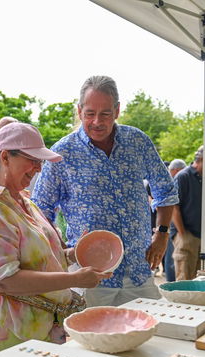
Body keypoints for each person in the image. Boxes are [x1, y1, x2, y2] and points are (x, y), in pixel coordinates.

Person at [0, 122, 111, 355]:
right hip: (13, 333)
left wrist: (73, 254)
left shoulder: (23, 201)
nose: (38, 168)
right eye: (33, 159)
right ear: (5, 157)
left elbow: (41, 258)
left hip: (39, 329)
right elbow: (5, 280)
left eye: (40, 161)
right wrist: (73, 279)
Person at [33, 76, 178, 307]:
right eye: (90, 113)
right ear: (79, 111)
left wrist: (161, 235)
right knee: (93, 339)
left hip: (138, 268)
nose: (97, 122)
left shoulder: (137, 142)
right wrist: (61, 252)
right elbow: (40, 209)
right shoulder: (62, 152)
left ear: (117, 110)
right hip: (90, 275)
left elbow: (165, 190)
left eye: (105, 114)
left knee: (151, 335)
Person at [170, 144, 205, 280]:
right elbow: (174, 206)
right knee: (185, 279)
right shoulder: (183, 176)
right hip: (187, 234)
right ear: (202, 158)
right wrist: (183, 234)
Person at [163, 159, 186, 281]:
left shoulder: (172, 181)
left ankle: (170, 280)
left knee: (171, 255)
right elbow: (174, 208)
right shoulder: (172, 182)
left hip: (169, 224)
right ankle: (171, 282)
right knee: (172, 255)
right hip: (172, 225)